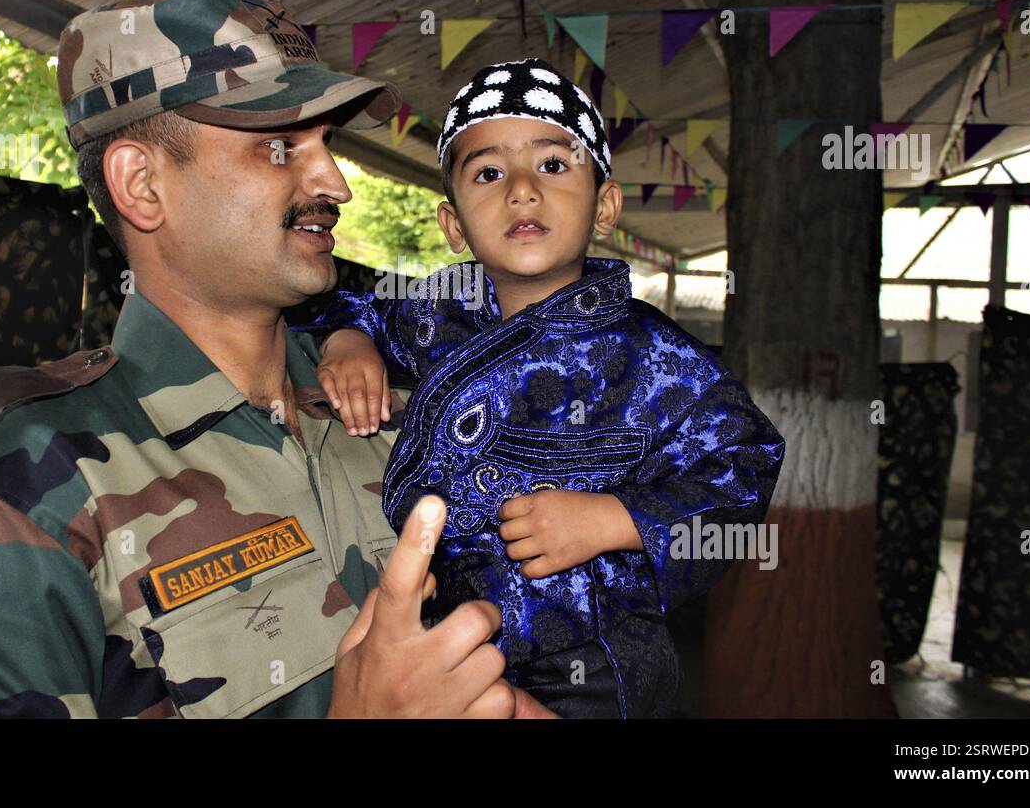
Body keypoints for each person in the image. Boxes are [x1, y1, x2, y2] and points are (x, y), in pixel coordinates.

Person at [0, 0, 549, 719]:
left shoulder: (401, 417)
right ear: (142, 184)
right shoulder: (16, 485)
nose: (334, 184)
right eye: (280, 146)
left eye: (327, 146)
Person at [301, 57, 787, 717]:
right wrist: (349, 341)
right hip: (440, 638)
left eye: (554, 166)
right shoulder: (431, 310)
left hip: (591, 662)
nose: (522, 190)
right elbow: (334, 298)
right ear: (453, 225)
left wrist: (614, 519)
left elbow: (746, 462)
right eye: (489, 173)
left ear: (605, 207)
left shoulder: (653, 356)